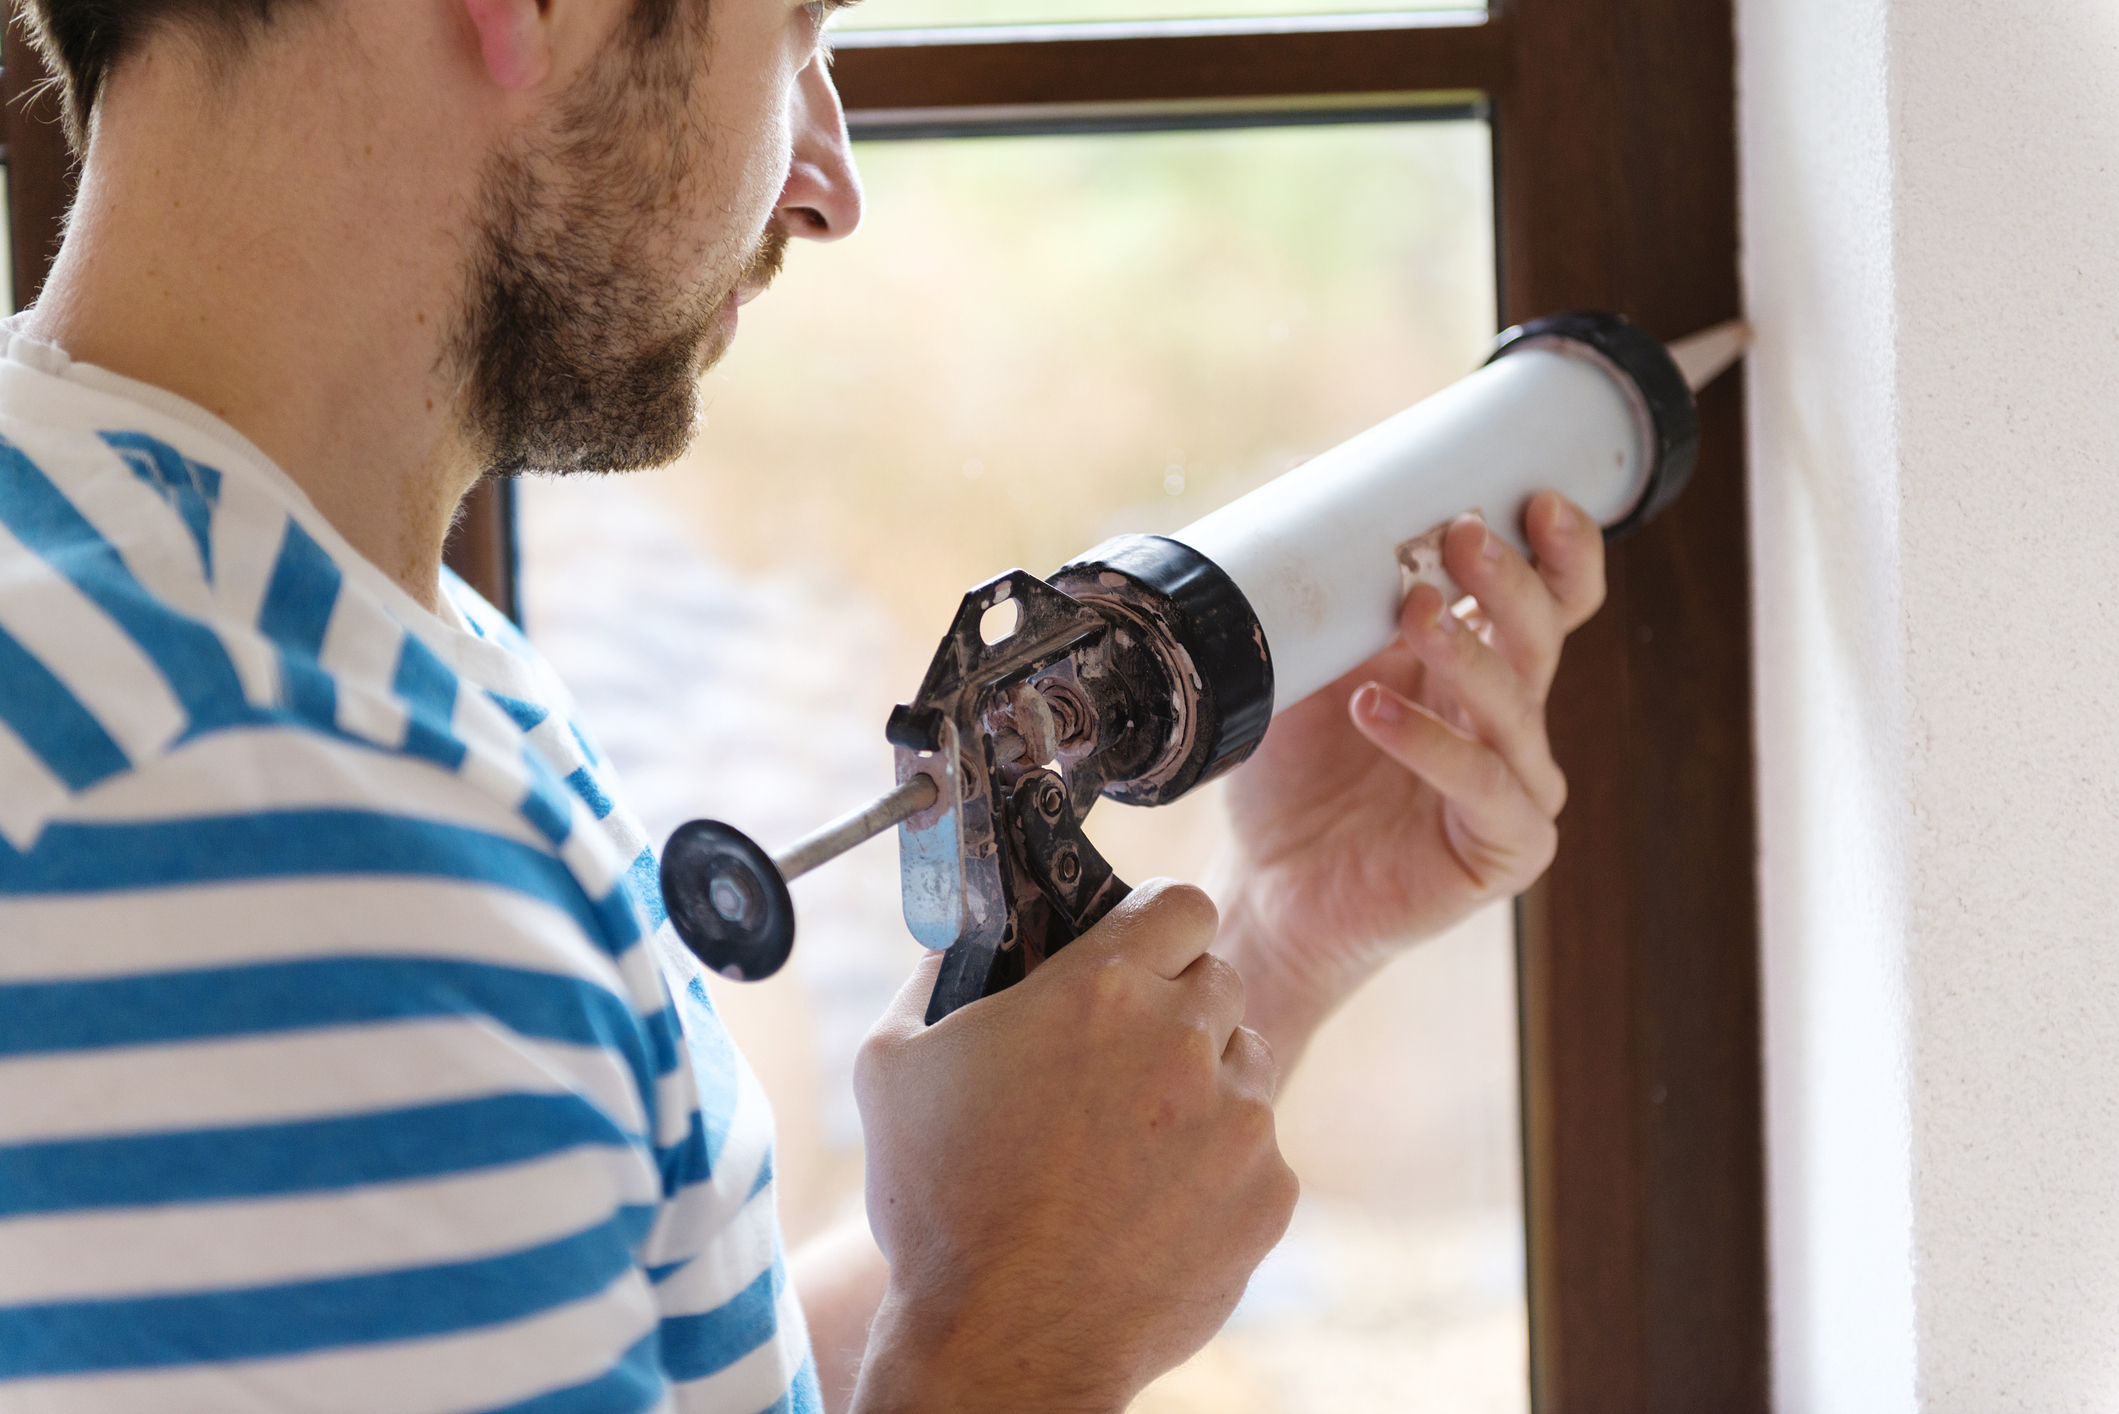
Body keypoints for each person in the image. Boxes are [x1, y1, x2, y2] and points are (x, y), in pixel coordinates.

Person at [0, 1, 1608, 1411]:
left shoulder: (272, 612)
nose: (828, 181)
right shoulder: (260, 841)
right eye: (795, 29)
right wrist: (1015, 1342)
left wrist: (1275, 946)